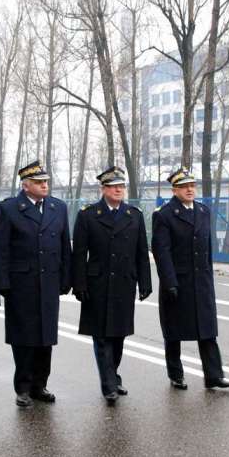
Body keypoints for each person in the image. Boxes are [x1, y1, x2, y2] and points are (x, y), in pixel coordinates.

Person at [0, 159, 71, 408]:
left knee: (46, 337)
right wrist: (2, 283)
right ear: (26, 185)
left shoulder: (58, 208)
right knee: (24, 337)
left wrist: (65, 278)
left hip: (48, 281)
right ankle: (23, 387)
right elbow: (0, 249)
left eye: (46, 181)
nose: (44, 186)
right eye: (39, 182)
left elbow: (64, 246)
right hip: (21, 283)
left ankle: (40, 384)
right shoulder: (10, 209)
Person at [72, 167, 152, 404]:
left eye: (122, 186)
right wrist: (79, 283)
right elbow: (79, 253)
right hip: (97, 284)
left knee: (119, 336)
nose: (119, 190)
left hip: (124, 283)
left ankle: (113, 375)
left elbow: (141, 252)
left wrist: (145, 282)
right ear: (103, 189)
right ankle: (108, 384)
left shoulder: (133, 215)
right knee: (102, 336)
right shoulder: (88, 215)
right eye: (114, 186)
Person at [150, 167, 229, 390]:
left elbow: (206, 248)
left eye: (192, 186)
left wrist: (208, 276)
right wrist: (170, 282)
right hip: (178, 281)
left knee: (207, 330)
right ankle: (176, 374)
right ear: (174, 190)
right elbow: (162, 251)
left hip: (201, 282)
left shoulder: (203, 211)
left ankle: (214, 375)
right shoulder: (164, 214)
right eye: (184, 186)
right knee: (174, 331)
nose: (190, 190)